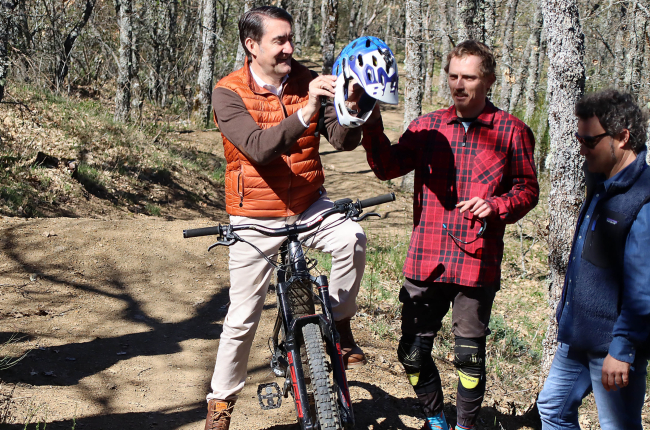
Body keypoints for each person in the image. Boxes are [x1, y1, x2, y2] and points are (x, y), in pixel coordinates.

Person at [203, 6, 371, 429]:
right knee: (242, 317)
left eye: (291, 39)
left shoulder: (305, 78)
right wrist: (307, 107)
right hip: (255, 215)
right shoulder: (228, 92)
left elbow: (341, 139)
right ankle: (220, 406)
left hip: (309, 203)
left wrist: (355, 107)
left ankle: (339, 321)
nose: (289, 49)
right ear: (251, 45)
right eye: (279, 41)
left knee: (351, 236)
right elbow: (258, 148)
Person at [360, 40, 539, 430]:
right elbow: (388, 167)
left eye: (469, 77)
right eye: (453, 76)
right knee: (411, 351)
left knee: (469, 357)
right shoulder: (427, 125)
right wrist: (370, 119)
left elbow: (527, 190)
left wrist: (497, 206)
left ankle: (466, 425)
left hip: (477, 261)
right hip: (426, 256)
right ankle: (436, 419)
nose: (459, 85)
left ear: (489, 80)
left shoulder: (512, 131)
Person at [537, 89, 650, 429]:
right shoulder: (602, 182)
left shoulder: (643, 199)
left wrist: (623, 349)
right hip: (579, 333)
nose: (581, 148)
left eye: (589, 141)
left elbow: (643, 288)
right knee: (552, 409)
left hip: (613, 345)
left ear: (622, 137)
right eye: (578, 139)